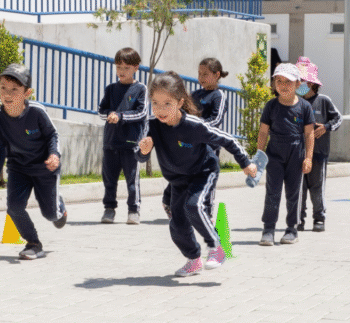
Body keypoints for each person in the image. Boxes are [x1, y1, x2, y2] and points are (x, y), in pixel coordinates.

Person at [137, 72, 257, 277]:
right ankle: (193, 260)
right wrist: (143, 151)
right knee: (177, 225)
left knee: (194, 206)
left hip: (203, 172)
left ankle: (217, 247)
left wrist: (245, 163)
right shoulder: (152, 125)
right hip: (177, 180)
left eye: (167, 103)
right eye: (155, 103)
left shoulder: (194, 126)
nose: (160, 109)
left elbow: (226, 139)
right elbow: (140, 157)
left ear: (180, 101)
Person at [0, 64, 67, 260]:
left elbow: (52, 135)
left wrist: (54, 155)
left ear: (27, 93)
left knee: (51, 215)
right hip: (18, 168)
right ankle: (33, 244)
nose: (7, 94)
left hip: (45, 167)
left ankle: (59, 205)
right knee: (14, 207)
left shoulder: (37, 112)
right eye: (3, 88)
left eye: (14, 90)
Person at [162, 58, 229, 220]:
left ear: (216, 74)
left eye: (205, 74)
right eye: (199, 73)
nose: (201, 77)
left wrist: (196, 127)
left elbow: (216, 119)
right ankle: (168, 202)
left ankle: (206, 211)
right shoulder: (195, 94)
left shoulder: (219, 95)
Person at [257, 62, 315, 246]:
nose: (282, 85)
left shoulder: (304, 107)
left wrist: (308, 157)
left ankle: (291, 229)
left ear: (298, 84)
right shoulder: (271, 106)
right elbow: (263, 132)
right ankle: (268, 230)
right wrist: (259, 156)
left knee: (293, 193)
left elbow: (309, 133)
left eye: (287, 81)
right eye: (278, 81)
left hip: (296, 153)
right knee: (272, 192)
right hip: (274, 153)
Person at [98, 47, 148, 225]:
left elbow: (141, 113)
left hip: (130, 143)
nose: (121, 71)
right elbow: (101, 111)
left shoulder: (141, 89)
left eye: (126, 68)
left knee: (132, 180)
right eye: (118, 67)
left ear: (136, 68)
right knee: (109, 179)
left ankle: (133, 211)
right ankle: (109, 209)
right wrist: (109, 115)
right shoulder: (111, 89)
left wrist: (120, 116)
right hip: (110, 142)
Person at [295, 56, 342, 232]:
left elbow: (338, 118)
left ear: (312, 83)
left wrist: (327, 127)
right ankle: (298, 219)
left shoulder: (324, 101)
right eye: (297, 81)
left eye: (302, 81)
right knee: (298, 188)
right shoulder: (294, 102)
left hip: (318, 153)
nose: (299, 84)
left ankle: (319, 219)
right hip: (297, 154)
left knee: (317, 188)